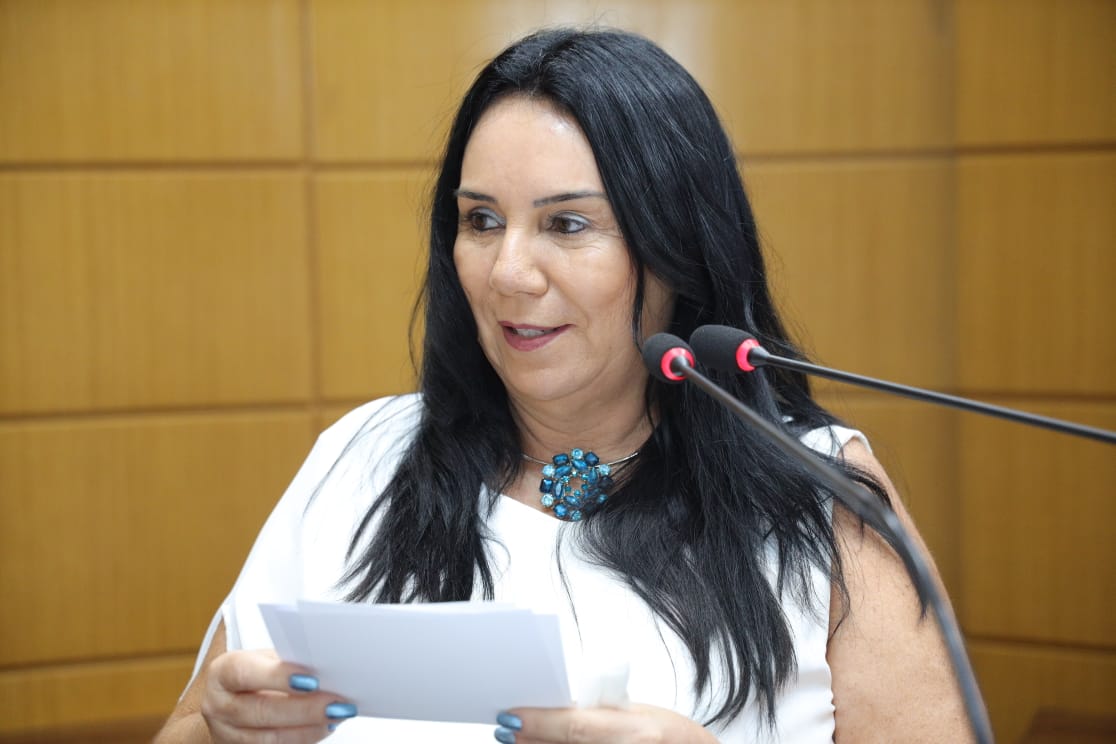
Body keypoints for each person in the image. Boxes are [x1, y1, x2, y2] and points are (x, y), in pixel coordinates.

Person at [156, 27, 974, 743]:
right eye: (481, 220)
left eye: (567, 223)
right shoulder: (361, 458)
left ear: (677, 249)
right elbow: (193, 727)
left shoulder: (823, 497)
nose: (508, 272)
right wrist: (221, 734)